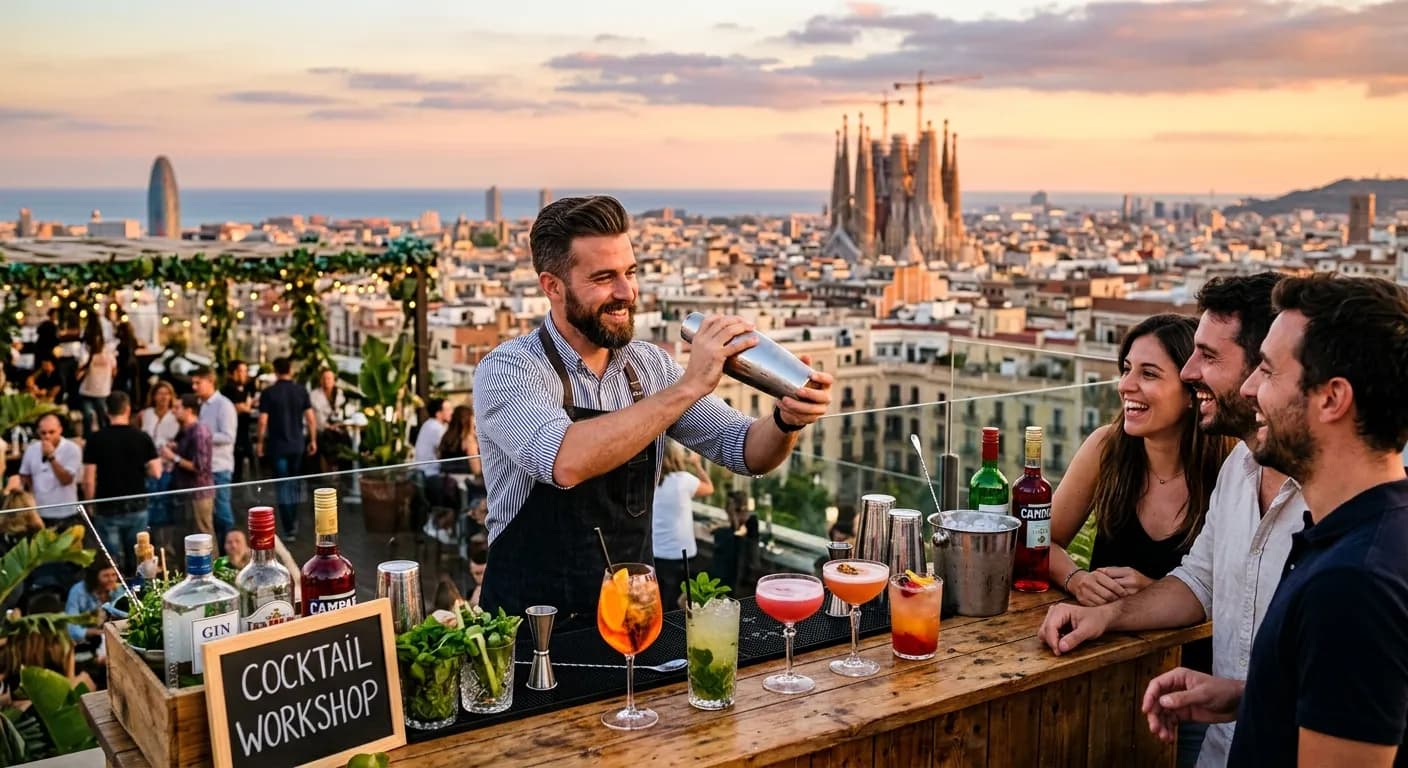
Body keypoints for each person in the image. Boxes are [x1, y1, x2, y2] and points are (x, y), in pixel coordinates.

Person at [474, 195, 831, 626]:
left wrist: (785, 420)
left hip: (630, 619)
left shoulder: (650, 367)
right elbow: (564, 461)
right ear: (552, 286)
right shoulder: (509, 369)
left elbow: (745, 450)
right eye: (604, 278)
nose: (626, 292)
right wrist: (689, 385)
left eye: (630, 272)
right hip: (529, 628)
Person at [1140, 275, 1408, 767]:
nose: (1249, 388)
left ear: (1332, 398)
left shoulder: (1352, 583)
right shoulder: (1369, 533)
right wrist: (1253, 696)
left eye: (1267, 371)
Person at [1039, 273, 1302, 768]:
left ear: (1262, 370)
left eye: (1209, 357)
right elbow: (1198, 580)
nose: (1190, 372)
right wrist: (1103, 611)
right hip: (1217, 739)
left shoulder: (1334, 502)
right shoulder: (1239, 470)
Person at [1050, 314, 1233, 607]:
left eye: (1148, 374)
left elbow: (1238, 599)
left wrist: (1157, 592)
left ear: (1192, 392)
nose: (1125, 385)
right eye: (1126, 369)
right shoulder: (1106, 447)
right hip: (1098, 632)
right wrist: (1077, 579)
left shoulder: (1232, 469)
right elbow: (1039, 541)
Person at [82, 392, 162, 573]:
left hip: (107, 506)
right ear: (128, 409)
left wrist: (90, 503)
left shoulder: (95, 439)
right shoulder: (141, 437)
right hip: (137, 505)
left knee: (111, 562)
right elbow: (156, 472)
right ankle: (138, 587)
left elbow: (88, 479)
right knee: (139, 558)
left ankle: (118, 587)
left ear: (106, 412)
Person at [256, 357, 316, 540]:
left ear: (275, 371)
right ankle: (294, 522)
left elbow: (262, 421)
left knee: (282, 485)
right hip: (297, 445)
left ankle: (288, 527)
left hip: (277, 446)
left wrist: (260, 442)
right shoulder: (301, 391)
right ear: (290, 370)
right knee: (295, 484)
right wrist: (313, 440)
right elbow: (311, 418)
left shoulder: (269, 393)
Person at [652, 440, 714, 609]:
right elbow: (709, 488)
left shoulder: (650, 481)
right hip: (683, 554)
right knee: (684, 604)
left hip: (657, 554)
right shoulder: (684, 480)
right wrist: (696, 464)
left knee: (662, 603)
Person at [13, 413, 82, 529]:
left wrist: (51, 457)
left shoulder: (72, 449)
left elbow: (66, 480)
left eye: (51, 432)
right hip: (40, 513)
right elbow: (25, 475)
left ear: (60, 430)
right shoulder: (31, 449)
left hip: (66, 513)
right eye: (43, 433)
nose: (47, 436)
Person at [192, 366, 237, 547]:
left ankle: (231, 553)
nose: (194, 387)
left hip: (220, 467)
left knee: (223, 514)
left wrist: (202, 437)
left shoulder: (224, 405)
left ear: (210, 381)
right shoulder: (202, 405)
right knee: (211, 516)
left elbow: (228, 436)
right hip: (205, 469)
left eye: (198, 382)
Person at [164, 393, 214, 535]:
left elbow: (199, 467)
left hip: (199, 493)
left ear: (189, 410)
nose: (173, 411)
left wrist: (174, 457)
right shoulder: (184, 430)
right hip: (186, 492)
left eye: (177, 408)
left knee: (204, 535)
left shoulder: (199, 431)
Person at [139, 381, 181, 528]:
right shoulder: (147, 414)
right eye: (160, 393)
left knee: (165, 500)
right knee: (150, 500)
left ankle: (165, 536)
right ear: (154, 396)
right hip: (149, 464)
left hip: (168, 465)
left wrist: (174, 447)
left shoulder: (175, 415)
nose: (163, 397)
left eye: (167, 394)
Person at [76, 314, 116, 438]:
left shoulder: (106, 351)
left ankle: (103, 440)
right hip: (88, 391)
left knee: (101, 418)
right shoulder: (86, 350)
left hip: (102, 391)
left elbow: (114, 368)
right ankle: (90, 441)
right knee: (90, 418)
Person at [65, 559, 118, 650]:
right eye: (106, 576)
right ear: (94, 577)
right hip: (85, 643)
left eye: (114, 575)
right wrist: (97, 632)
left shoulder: (117, 590)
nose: (111, 579)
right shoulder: (78, 592)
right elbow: (72, 629)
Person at [220, 360, 257, 482]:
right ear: (233, 373)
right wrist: (246, 406)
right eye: (241, 371)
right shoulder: (228, 389)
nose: (244, 374)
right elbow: (240, 408)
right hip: (233, 438)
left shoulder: (244, 389)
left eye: (246, 371)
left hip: (243, 434)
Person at [308, 367, 349, 474]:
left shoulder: (339, 393)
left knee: (346, 441)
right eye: (324, 378)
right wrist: (327, 426)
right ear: (320, 380)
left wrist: (337, 425)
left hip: (336, 428)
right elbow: (315, 417)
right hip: (321, 430)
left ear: (334, 380)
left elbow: (340, 413)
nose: (327, 381)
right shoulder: (314, 395)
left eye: (329, 378)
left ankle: (343, 471)